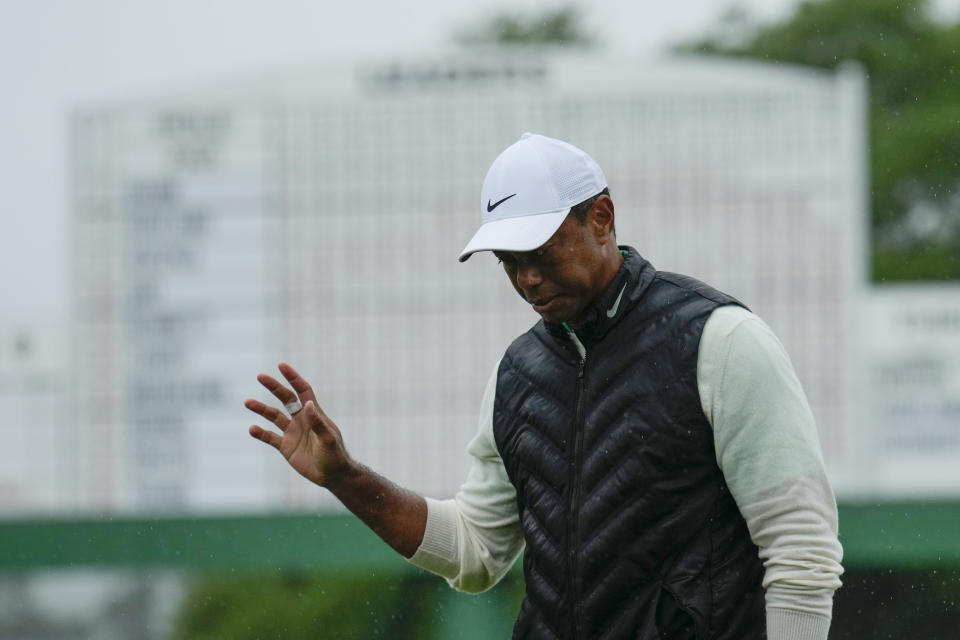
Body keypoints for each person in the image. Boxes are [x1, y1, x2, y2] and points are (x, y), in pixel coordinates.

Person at [245, 133, 843, 639]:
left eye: (543, 249)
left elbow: (802, 553)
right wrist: (347, 478)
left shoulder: (723, 342)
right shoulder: (517, 374)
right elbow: (474, 553)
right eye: (508, 259)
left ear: (602, 218)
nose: (527, 276)